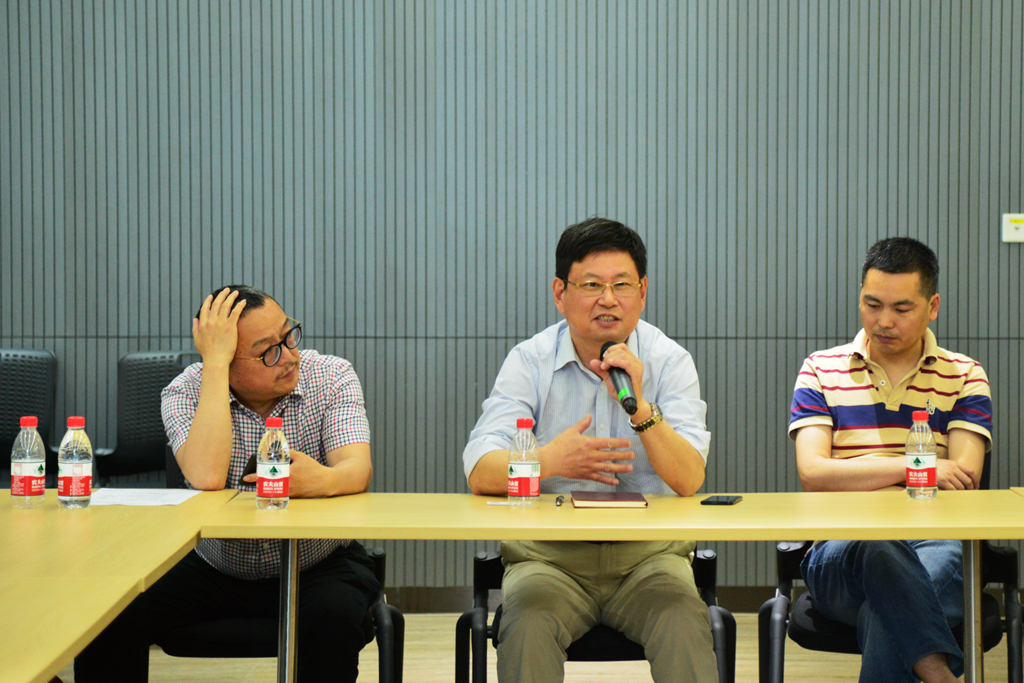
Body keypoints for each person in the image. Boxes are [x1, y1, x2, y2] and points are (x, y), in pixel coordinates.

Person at [75, 285, 381, 683]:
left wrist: (322, 480)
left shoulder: (332, 375)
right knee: (106, 617)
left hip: (318, 564)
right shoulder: (184, 390)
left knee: (332, 619)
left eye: (289, 335)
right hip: (214, 565)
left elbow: (357, 470)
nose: (290, 356)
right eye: (267, 351)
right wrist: (215, 367)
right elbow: (206, 477)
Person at [463, 218, 718, 683]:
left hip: (651, 559)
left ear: (642, 291)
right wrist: (551, 460)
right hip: (548, 560)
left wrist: (641, 409)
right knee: (526, 625)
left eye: (622, 284)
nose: (608, 299)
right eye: (592, 285)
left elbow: (689, 479)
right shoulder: (529, 361)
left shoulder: (669, 361)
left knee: (684, 622)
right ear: (560, 292)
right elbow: (480, 470)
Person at [789, 238, 993, 683]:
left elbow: (963, 478)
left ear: (932, 306)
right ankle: (939, 673)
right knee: (878, 546)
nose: (884, 321)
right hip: (841, 551)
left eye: (901, 308)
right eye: (872, 304)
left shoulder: (964, 375)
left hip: (937, 545)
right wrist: (914, 467)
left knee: (885, 611)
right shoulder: (820, 369)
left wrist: (860, 472)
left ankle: (933, 670)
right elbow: (814, 473)